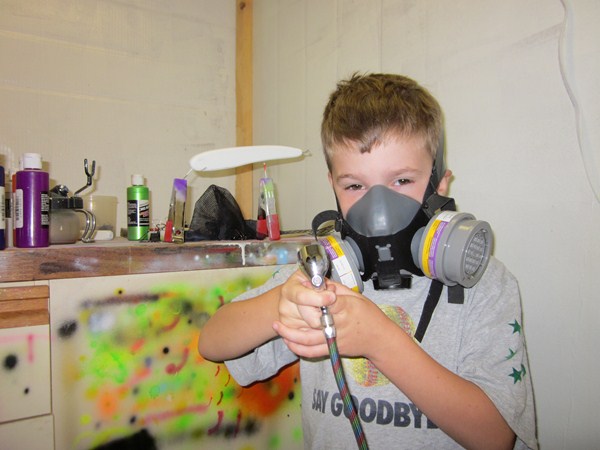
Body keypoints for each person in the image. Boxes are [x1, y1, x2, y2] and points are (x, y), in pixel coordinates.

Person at [198, 73, 537, 449]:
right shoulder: (319, 278)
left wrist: (381, 342)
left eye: (402, 181)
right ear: (333, 185)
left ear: (440, 183)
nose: (378, 207)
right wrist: (282, 302)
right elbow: (213, 342)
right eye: (355, 186)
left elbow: (495, 439)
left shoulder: (483, 285)